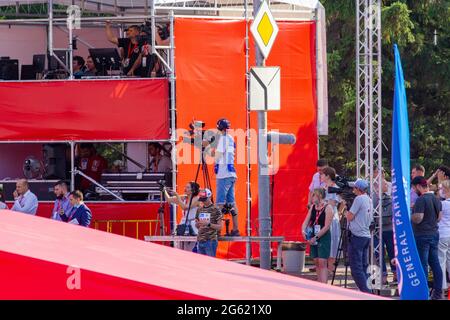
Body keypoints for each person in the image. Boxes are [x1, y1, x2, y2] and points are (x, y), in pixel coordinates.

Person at [411, 176, 443, 300]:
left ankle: (423, 294)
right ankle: (438, 293)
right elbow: (439, 218)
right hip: (434, 234)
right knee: (435, 264)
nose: (414, 191)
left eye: (414, 188)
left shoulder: (421, 200)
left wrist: (412, 213)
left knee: (423, 264)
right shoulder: (436, 199)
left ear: (419, 186)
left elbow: (418, 218)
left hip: (422, 235)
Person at [213, 118, 239, 236]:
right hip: (231, 174)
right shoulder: (230, 138)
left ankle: (217, 231)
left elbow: (217, 155)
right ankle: (235, 229)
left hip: (224, 175)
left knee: (219, 203)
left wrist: (208, 148)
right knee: (231, 203)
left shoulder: (223, 139)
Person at [345, 179, 373, 293]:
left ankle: (366, 292)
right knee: (364, 266)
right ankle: (369, 291)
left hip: (357, 236)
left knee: (356, 269)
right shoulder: (369, 199)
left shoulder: (358, 199)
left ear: (358, 189)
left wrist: (345, 209)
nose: (353, 190)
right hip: (365, 236)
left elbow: (350, 217)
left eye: (354, 188)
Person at [302, 188, 334, 283]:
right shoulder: (313, 207)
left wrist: (315, 237)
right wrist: (303, 230)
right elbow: (306, 221)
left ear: (319, 196)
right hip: (313, 235)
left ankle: (324, 286)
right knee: (316, 261)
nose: (311, 198)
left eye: (313, 195)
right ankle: (319, 283)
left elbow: (326, 226)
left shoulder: (328, 208)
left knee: (322, 261)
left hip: (323, 236)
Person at [165, 182, 200, 252]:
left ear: (193, 190)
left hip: (193, 226)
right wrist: (164, 190)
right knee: (180, 247)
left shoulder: (197, 199)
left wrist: (177, 196)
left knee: (188, 249)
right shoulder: (184, 197)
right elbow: (168, 199)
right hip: (183, 224)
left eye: (187, 187)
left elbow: (185, 207)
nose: (185, 189)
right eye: (185, 187)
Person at [373, 179, 396, 284]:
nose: (387, 185)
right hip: (388, 229)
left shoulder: (374, 198)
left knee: (381, 253)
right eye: (385, 184)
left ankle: (386, 276)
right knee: (391, 252)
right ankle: (393, 275)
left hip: (380, 229)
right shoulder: (390, 198)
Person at [320, 166, 342, 274]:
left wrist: (322, 202)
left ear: (328, 176)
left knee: (332, 241)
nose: (321, 176)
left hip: (332, 217)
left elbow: (335, 203)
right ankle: (325, 269)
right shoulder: (323, 187)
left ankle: (331, 269)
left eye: (322, 174)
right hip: (323, 216)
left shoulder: (335, 188)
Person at [195, 188, 222, 257]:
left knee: (210, 265)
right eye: (202, 200)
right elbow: (197, 225)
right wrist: (197, 224)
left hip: (210, 241)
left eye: (205, 199)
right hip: (200, 240)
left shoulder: (216, 209)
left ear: (210, 197)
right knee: (201, 265)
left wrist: (209, 224)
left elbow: (220, 227)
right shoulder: (199, 209)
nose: (203, 201)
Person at [438, 180, 450, 292]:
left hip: (442, 234)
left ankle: (442, 286)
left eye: (441, 189)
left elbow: (438, 218)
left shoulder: (443, 204)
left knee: (441, 261)